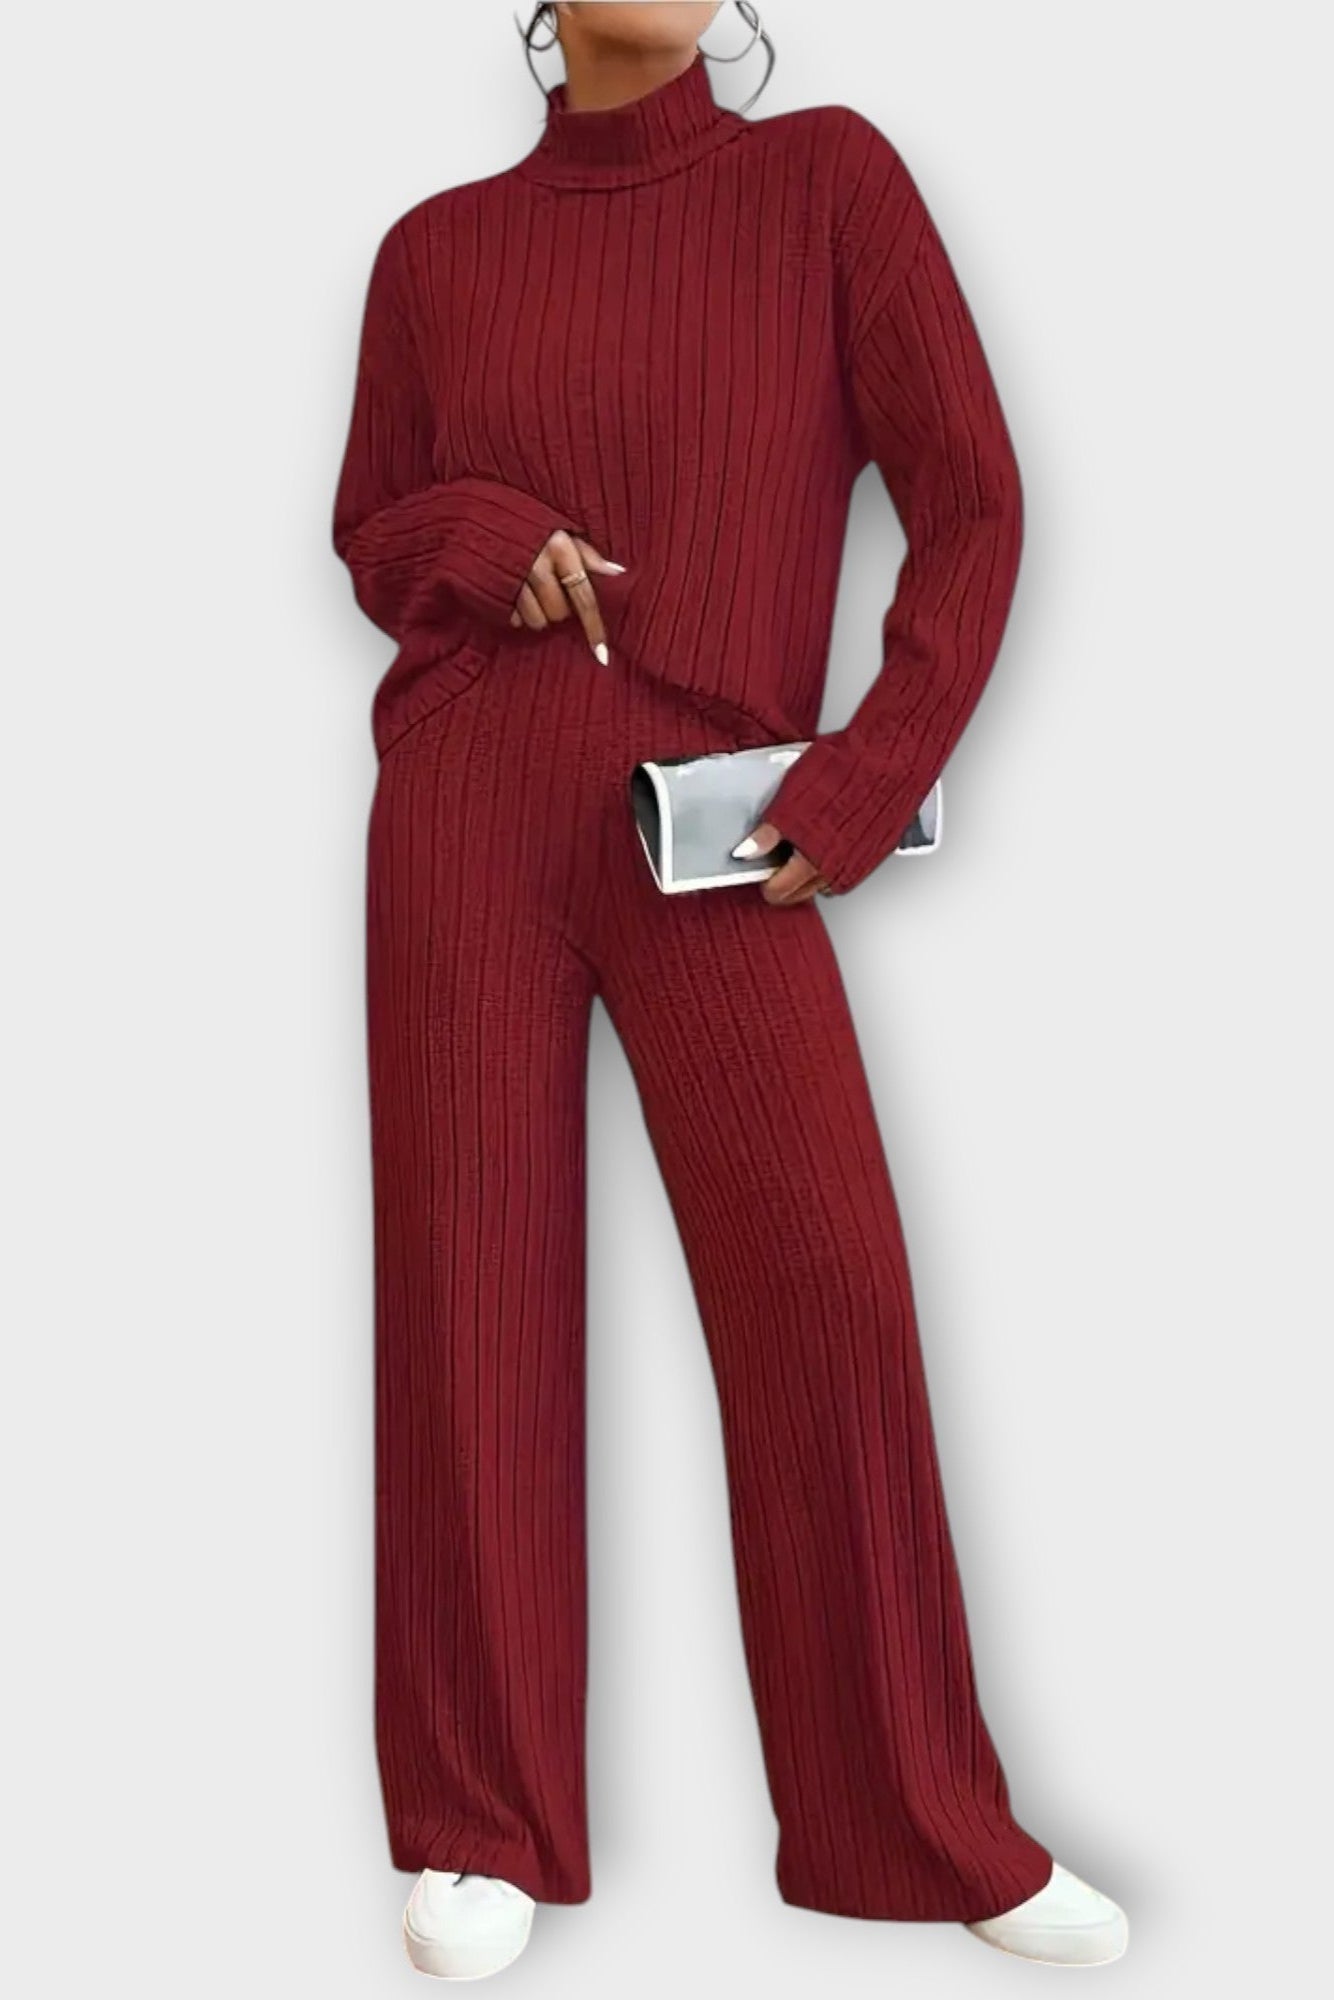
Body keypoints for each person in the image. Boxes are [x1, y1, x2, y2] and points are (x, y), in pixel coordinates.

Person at [330, 1, 1128, 1978]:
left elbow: (972, 500)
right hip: (465, 810)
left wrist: (864, 777)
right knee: (469, 1307)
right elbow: (370, 532)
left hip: (722, 822)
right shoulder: (434, 252)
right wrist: (477, 532)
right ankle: (479, 1823)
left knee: (824, 1293)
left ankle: (912, 1823)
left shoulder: (826, 181)